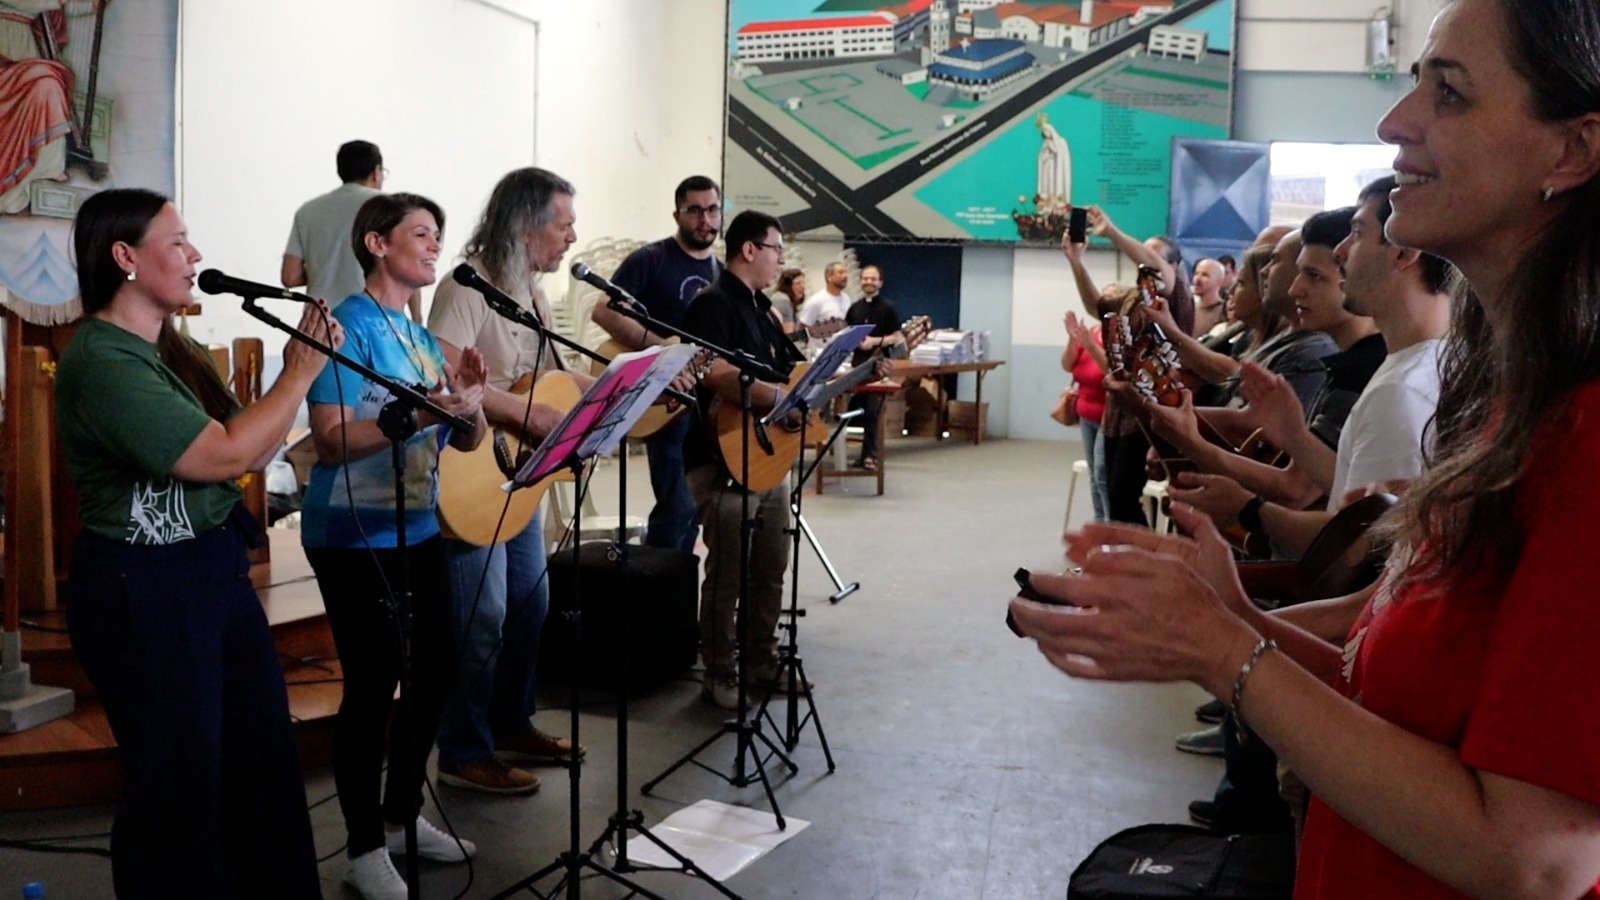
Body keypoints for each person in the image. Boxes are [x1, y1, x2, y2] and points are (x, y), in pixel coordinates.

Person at [1012, 1, 1600, 894]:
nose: (1393, 122)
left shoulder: (1587, 435)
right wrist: (1228, 618)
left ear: (1571, 151)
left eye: (1448, 93)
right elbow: (1395, 703)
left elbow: (1536, 857)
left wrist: (1222, 651)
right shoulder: (1513, 400)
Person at [56, 188, 340, 898]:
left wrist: (288, 387)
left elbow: (249, 438)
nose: (196, 255)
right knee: (179, 782)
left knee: (260, 758)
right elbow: (222, 456)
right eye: (178, 242)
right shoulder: (101, 359)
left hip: (208, 572)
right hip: (142, 589)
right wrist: (300, 371)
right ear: (125, 257)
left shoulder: (172, 351)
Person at [301, 192, 488, 899]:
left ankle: (404, 816)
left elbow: (462, 438)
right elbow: (330, 440)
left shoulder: (417, 335)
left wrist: (465, 407)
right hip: (352, 537)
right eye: (421, 234)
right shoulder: (345, 327)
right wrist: (420, 412)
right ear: (377, 244)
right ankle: (362, 847)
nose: (435, 246)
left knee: (440, 666)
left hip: (419, 526)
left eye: (438, 235)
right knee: (374, 682)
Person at [428, 167, 586, 795]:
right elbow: (447, 385)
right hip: (469, 474)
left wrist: (633, 387)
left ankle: (509, 721)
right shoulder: (465, 288)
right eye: (564, 222)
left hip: (516, 473)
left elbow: (553, 377)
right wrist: (530, 414)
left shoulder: (533, 292)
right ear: (525, 225)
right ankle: (462, 749)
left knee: (530, 603)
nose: (573, 236)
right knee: (482, 615)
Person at [682, 210, 808, 709]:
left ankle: (760, 660)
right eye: (776, 248)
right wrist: (779, 400)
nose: (781, 258)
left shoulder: (763, 310)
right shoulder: (711, 305)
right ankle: (719, 670)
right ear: (749, 250)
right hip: (720, 459)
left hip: (766, 457)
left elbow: (786, 373)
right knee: (729, 570)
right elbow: (710, 371)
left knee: (772, 564)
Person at [590, 174, 723, 552]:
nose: (705, 220)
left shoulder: (720, 273)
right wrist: (662, 351)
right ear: (677, 214)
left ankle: (672, 590)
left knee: (694, 510)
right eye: (695, 211)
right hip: (664, 400)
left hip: (704, 406)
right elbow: (604, 311)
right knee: (677, 509)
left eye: (712, 210)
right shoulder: (650, 260)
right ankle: (660, 592)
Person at [282, 140, 420, 320]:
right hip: (376, 321)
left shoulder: (307, 211)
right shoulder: (391, 207)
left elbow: (290, 277)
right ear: (376, 172)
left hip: (321, 324)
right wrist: (417, 318)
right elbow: (409, 266)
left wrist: (327, 269)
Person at [844, 263, 902, 470]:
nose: (869, 282)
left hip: (878, 367)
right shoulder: (855, 307)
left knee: (871, 412)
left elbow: (896, 337)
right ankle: (858, 454)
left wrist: (873, 342)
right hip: (857, 366)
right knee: (854, 410)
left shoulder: (888, 308)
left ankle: (870, 456)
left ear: (880, 282)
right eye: (865, 278)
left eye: (873, 279)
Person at [1062, 309, 1109, 520]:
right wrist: (1073, 340)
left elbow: (1112, 372)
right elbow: (1067, 365)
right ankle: (1100, 522)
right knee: (1094, 474)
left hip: (1110, 416)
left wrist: (1091, 346)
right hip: (1086, 413)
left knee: (1102, 474)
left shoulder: (1121, 336)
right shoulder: (1089, 332)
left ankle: (1112, 524)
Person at [798, 260, 851, 344]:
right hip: (819, 353)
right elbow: (803, 328)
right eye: (841, 273)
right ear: (829, 276)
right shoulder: (816, 301)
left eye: (846, 272)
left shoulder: (847, 299)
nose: (845, 276)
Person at [772, 267, 806, 334]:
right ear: (788, 286)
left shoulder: (784, 299)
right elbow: (789, 335)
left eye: (803, 283)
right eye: (798, 283)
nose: (802, 286)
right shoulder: (782, 300)